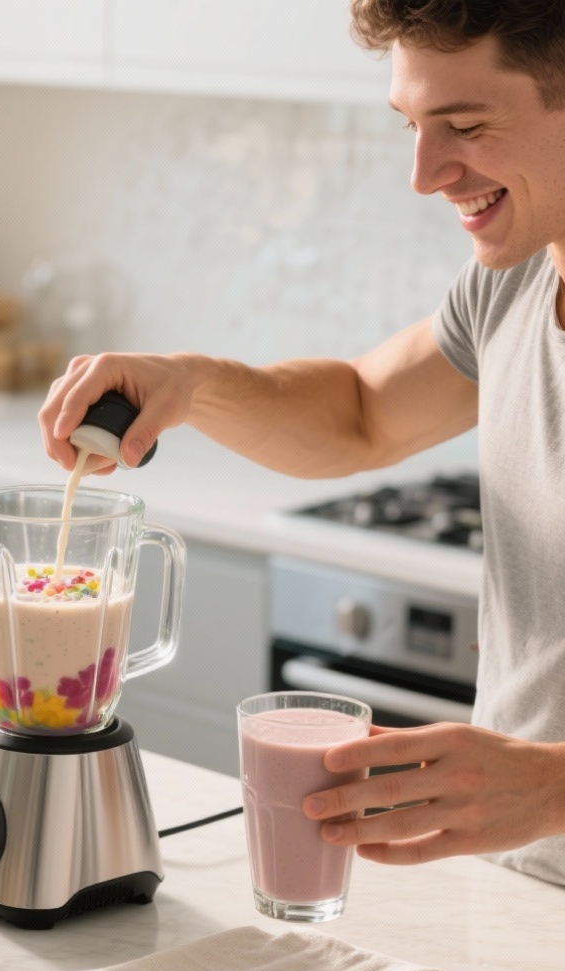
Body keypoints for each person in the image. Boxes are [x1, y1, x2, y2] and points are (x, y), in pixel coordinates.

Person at [37, 0, 565, 884]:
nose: (425, 173)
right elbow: (360, 412)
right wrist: (192, 383)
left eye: (465, 126)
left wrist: (552, 789)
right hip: (520, 894)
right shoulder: (511, 285)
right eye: (411, 125)